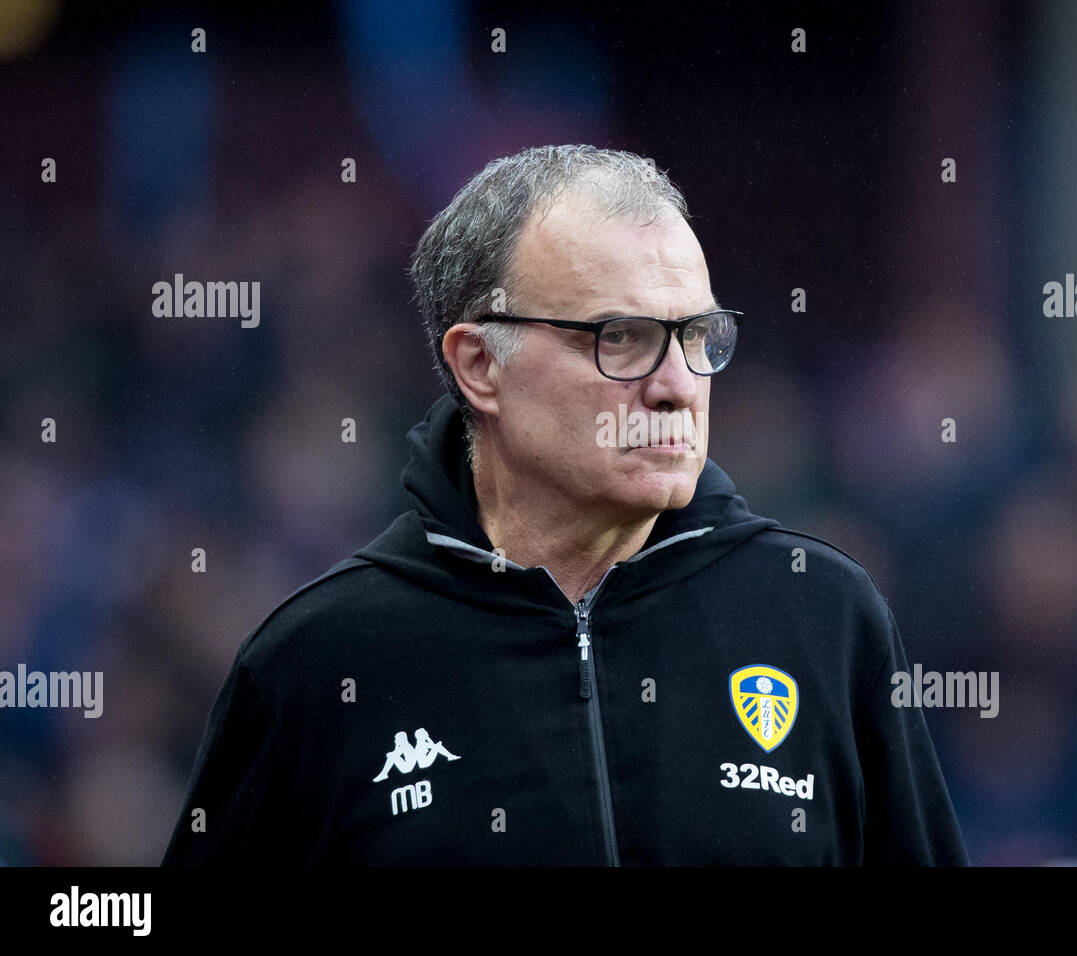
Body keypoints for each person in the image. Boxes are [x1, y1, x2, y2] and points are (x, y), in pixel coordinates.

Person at [161, 145, 968, 865]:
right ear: (479, 365)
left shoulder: (822, 618)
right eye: (620, 336)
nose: (676, 385)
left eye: (698, 336)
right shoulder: (317, 663)